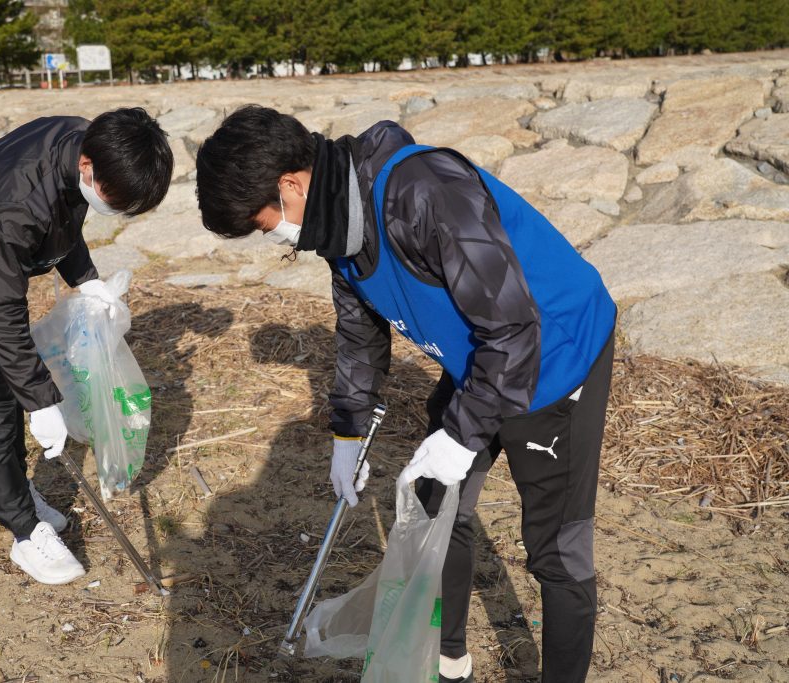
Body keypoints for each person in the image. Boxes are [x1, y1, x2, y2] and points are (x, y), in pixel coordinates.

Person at [194, 105, 615, 683]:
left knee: (554, 547)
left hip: (556, 352)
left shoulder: (423, 193)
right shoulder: (337, 224)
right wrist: (348, 431)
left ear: (290, 184)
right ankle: (447, 657)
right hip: (482, 355)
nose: (271, 237)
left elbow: (515, 328)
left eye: (264, 223)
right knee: (436, 504)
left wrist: (464, 434)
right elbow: (359, 339)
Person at [0, 109, 173, 585]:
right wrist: (40, 399)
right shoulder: (17, 202)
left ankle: (4, 492)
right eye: (115, 201)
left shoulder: (84, 142)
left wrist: (86, 282)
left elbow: (63, 216)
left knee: (11, 380)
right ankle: (24, 531)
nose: (115, 210)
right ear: (88, 165)